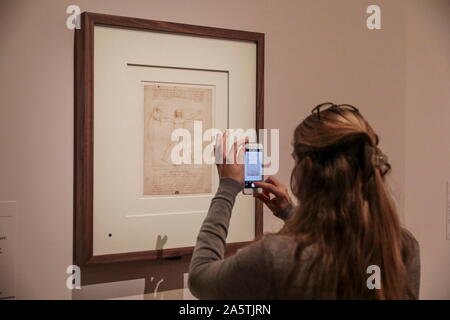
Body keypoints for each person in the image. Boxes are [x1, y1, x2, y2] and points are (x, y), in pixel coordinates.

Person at [188, 103, 420, 299]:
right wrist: (291, 212)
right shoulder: (401, 247)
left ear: (306, 167)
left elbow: (200, 277)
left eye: (295, 159)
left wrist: (227, 187)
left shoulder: (274, 256)